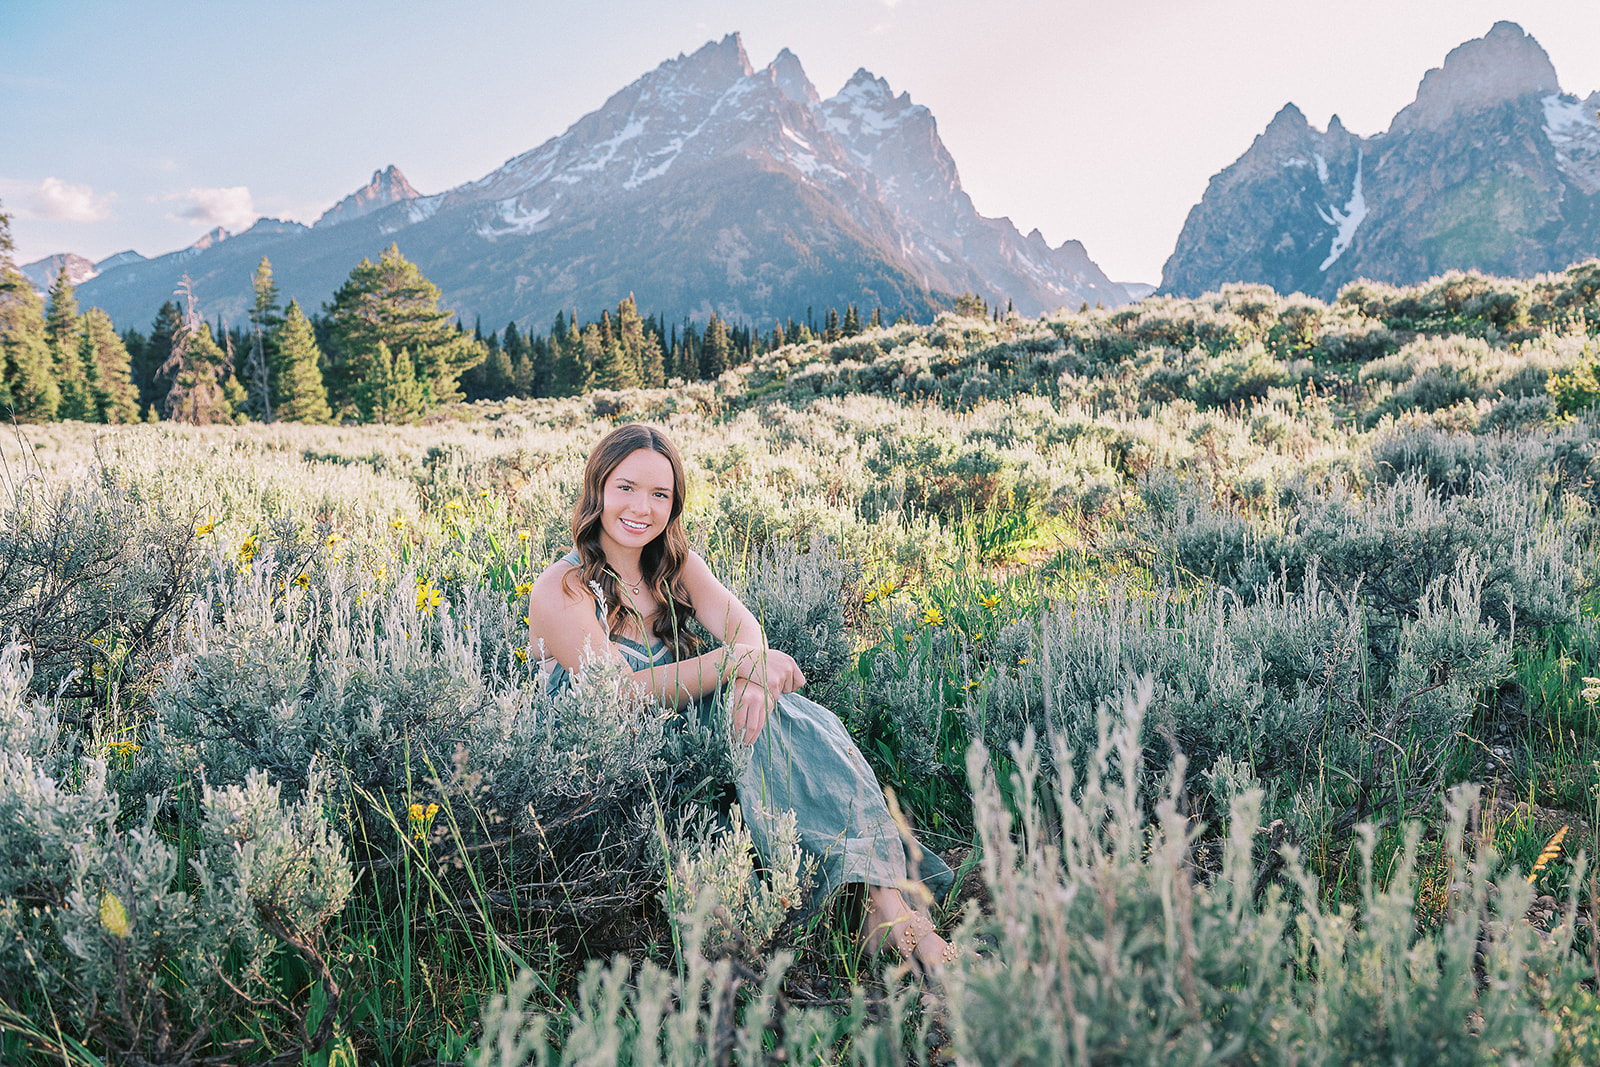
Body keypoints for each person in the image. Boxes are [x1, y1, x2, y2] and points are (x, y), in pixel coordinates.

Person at [528, 423, 956, 974]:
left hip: (673, 742)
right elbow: (616, 698)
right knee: (771, 711)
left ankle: (885, 903)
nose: (642, 507)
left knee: (789, 713)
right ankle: (883, 904)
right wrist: (734, 664)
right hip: (600, 765)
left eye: (660, 494)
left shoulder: (672, 564)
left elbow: (744, 627)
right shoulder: (564, 587)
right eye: (626, 487)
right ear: (598, 490)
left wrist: (751, 677)